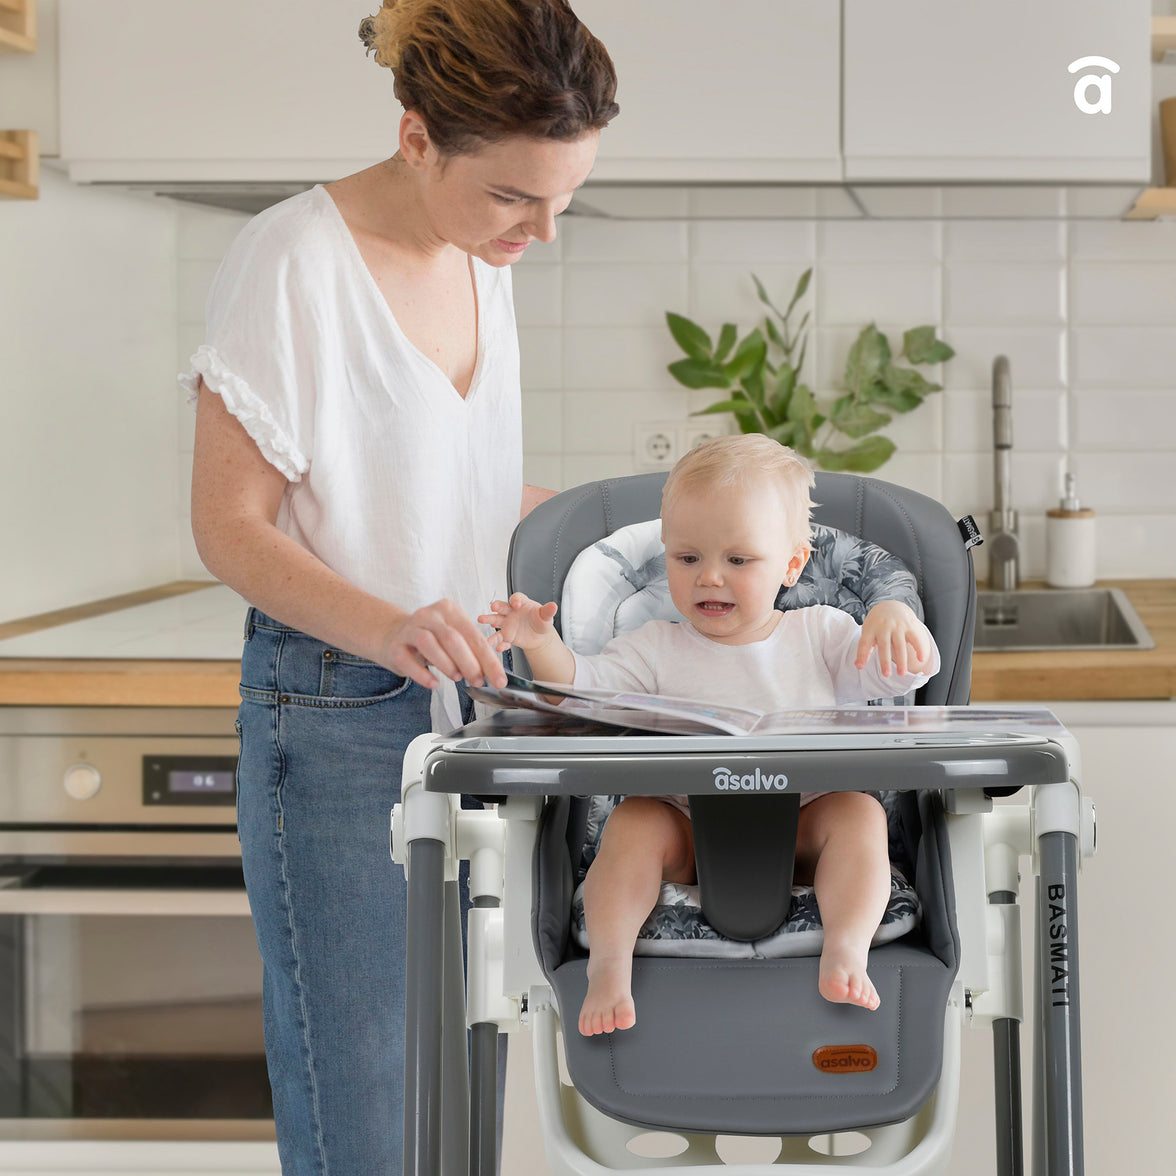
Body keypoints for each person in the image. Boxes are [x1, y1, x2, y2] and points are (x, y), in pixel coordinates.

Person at [184, 1, 618, 1170]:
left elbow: (432, 480)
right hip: (342, 711)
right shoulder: (293, 260)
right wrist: (390, 628)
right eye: (515, 197)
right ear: (418, 138)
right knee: (369, 1110)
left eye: (563, 199)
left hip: (476, 705)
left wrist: (636, 527)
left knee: (459, 1106)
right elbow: (228, 526)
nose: (542, 231)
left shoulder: (479, 252)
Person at [481, 435, 941, 1037]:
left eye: (739, 560)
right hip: (686, 827)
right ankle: (609, 965)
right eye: (687, 558)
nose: (710, 577)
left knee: (859, 814)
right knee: (633, 823)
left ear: (792, 565)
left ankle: (847, 948)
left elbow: (902, 672)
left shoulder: (823, 635)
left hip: (805, 824)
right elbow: (579, 691)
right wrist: (541, 643)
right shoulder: (653, 648)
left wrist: (895, 620)